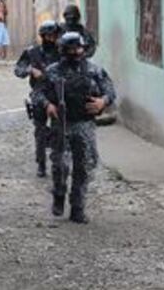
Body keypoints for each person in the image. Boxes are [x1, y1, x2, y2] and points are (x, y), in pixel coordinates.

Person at [38, 32, 115, 223]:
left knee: (84, 167)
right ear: (63, 50)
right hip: (61, 124)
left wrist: (102, 102)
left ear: (83, 49)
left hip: (84, 125)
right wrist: (48, 105)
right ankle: (59, 195)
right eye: (70, 49)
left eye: (78, 48)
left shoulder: (94, 71)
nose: (75, 52)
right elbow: (37, 93)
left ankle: (78, 207)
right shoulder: (53, 71)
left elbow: (110, 91)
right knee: (60, 166)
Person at [14, 20, 63, 177]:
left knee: (58, 131)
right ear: (43, 36)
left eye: (54, 35)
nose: (52, 38)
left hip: (57, 94)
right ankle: (41, 164)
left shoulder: (62, 51)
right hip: (38, 94)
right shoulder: (32, 52)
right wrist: (30, 70)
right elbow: (18, 69)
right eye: (48, 36)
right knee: (40, 131)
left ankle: (57, 162)